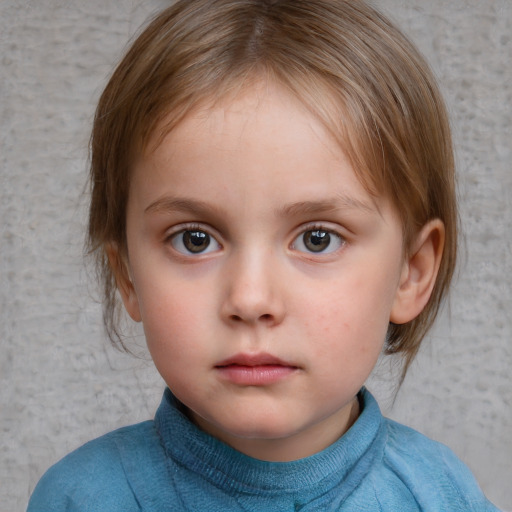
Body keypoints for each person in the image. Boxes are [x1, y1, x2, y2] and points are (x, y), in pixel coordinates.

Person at [27, 0, 500, 510]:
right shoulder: (82, 498)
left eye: (318, 238)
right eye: (195, 239)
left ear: (412, 272)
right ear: (128, 276)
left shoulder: (442, 495)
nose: (250, 299)